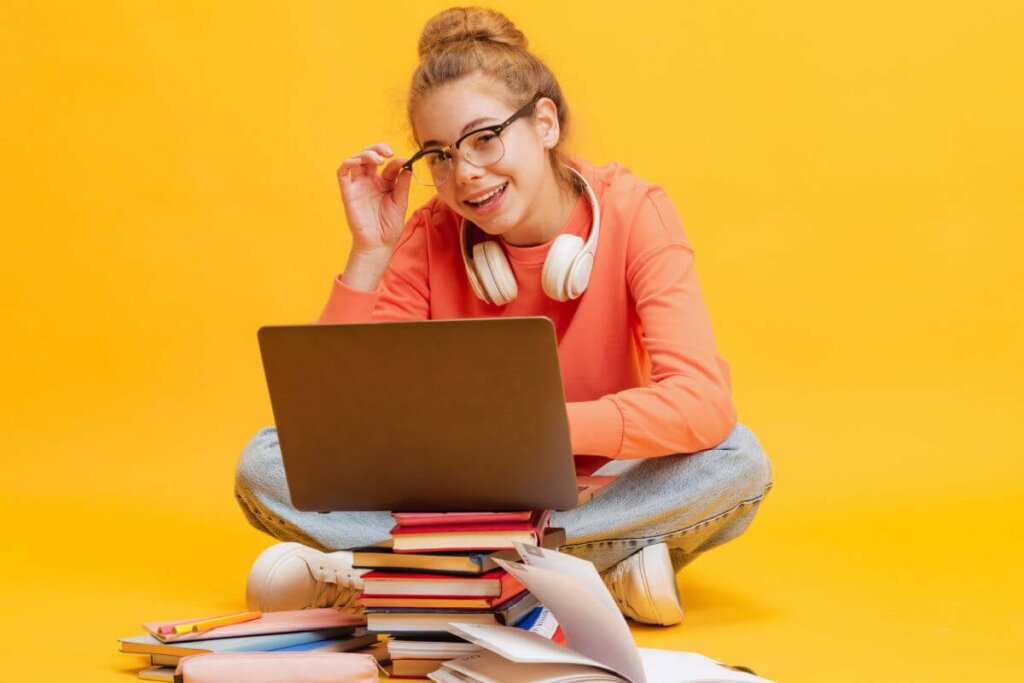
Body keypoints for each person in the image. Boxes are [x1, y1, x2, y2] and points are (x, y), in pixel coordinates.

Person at [234, 6, 773, 626]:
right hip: (450, 494)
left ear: (544, 122)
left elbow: (702, 400)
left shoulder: (637, 211)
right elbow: (328, 428)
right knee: (267, 460)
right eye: (437, 155)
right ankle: (592, 572)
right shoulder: (429, 233)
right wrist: (369, 254)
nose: (464, 174)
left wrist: (538, 432)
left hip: (596, 482)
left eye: (485, 138)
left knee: (736, 458)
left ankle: (388, 575)